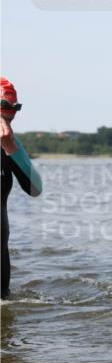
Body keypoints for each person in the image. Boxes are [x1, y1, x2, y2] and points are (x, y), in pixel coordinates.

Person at [1, 77, 43, 299]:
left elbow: (36, 188)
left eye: (10, 118)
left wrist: (11, 149)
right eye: (2, 118)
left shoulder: (11, 144)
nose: (6, 126)